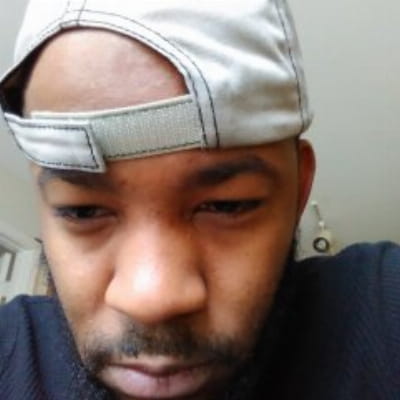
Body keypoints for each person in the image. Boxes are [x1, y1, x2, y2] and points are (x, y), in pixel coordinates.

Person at [0, 0, 399, 399]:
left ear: (299, 190)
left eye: (227, 206)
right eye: (82, 211)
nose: (153, 299)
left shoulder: (381, 310)